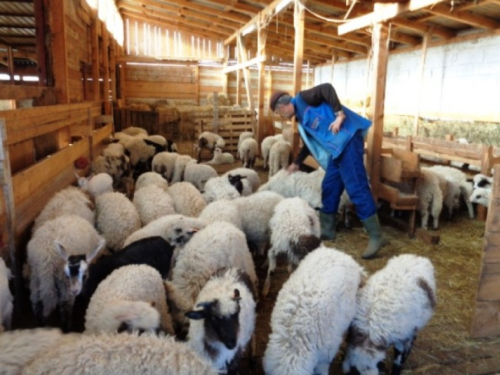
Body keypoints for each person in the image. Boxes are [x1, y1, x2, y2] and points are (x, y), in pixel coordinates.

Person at [269, 83, 386, 259]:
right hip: (337, 151)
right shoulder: (300, 120)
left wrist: (339, 115)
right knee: (329, 187)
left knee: (356, 188)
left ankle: (377, 236)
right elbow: (307, 146)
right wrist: (296, 164)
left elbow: (327, 88)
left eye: (279, 112)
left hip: (348, 141)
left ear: (283, 106)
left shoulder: (303, 98)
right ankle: (328, 231)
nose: (282, 116)